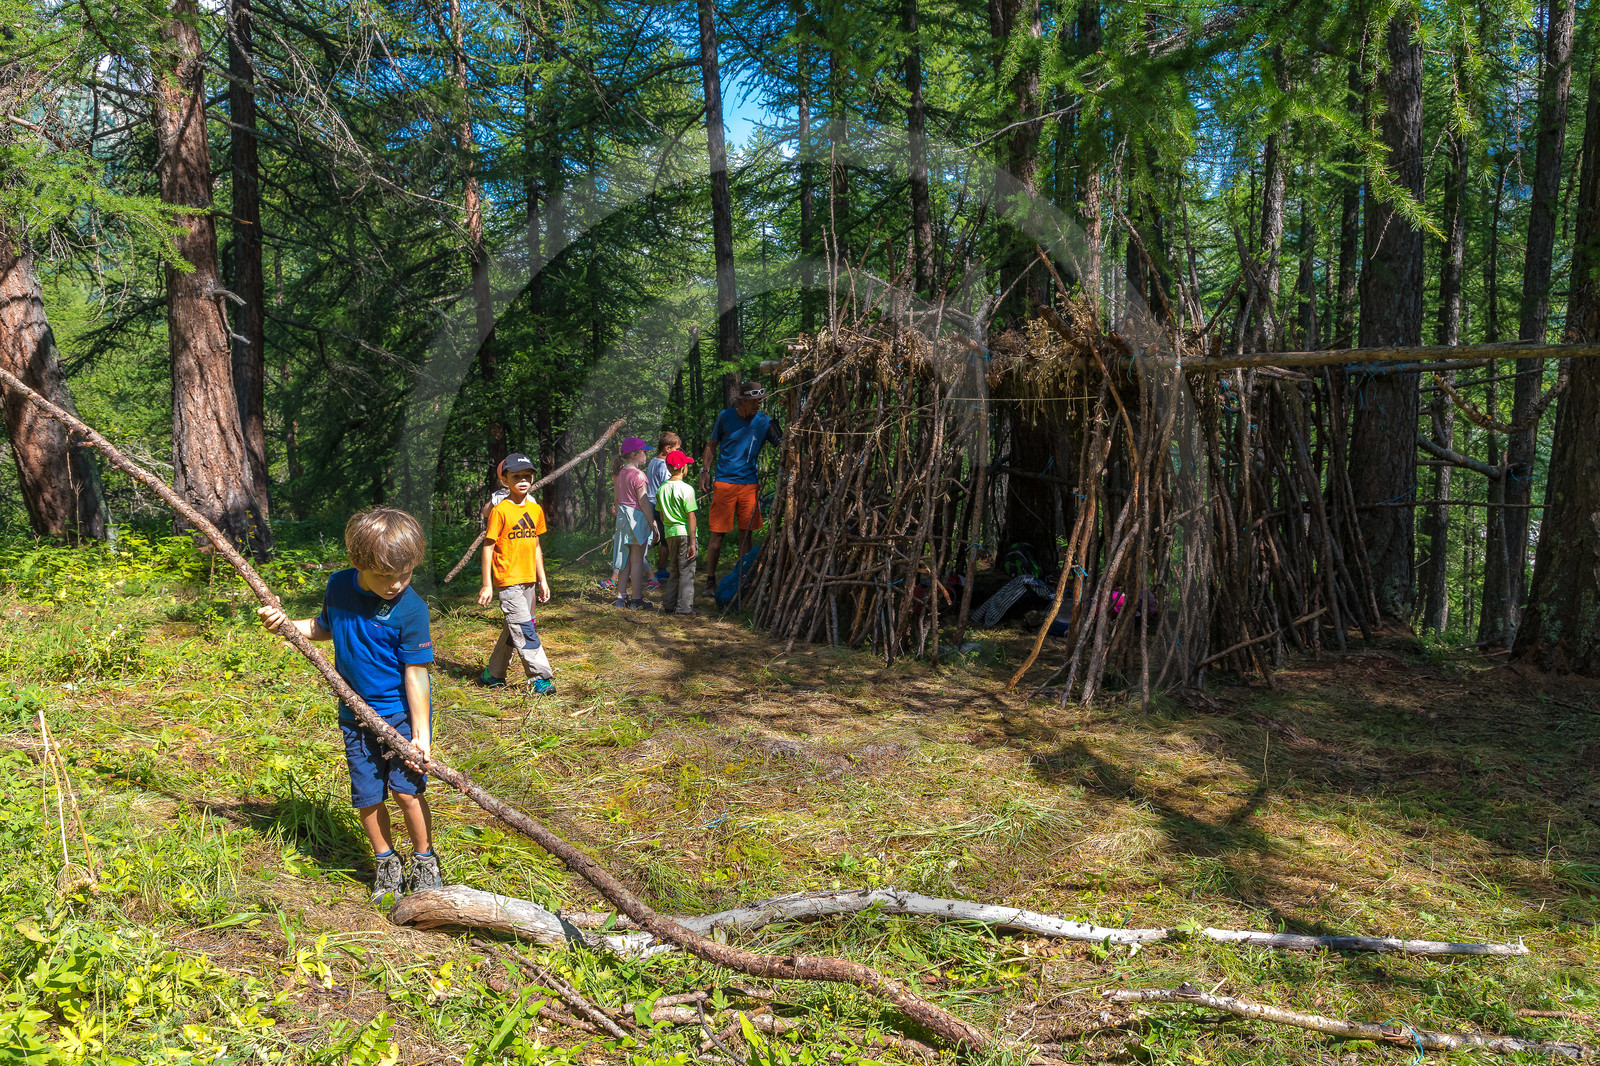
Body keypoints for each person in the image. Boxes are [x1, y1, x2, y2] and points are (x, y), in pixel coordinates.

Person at [257, 507, 442, 903]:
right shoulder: (339, 586)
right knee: (367, 794)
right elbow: (323, 628)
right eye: (385, 576)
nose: (395, 584)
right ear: (359, 563)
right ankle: (386, 862)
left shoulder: (412, 610)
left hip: (398, 718)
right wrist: (284, 623)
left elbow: (416, 674)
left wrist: (421, 737)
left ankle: (425, 860)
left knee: (407, 793)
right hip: (354, 716)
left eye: (404, 575)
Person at [478, 453, 555, 693]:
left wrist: (542, 580)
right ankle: (540, 677)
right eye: (516, 476)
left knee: (515, 628)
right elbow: (488, 546)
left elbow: (536, 547)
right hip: (508, 579)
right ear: (505, 481)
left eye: (527, 476)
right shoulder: (500, 511)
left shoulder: (535, 509)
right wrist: (487, 584)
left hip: (529, 579)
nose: (523, 480)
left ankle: (493, 673)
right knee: (525, 628)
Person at [699, 381, 780, 593]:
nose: (758, 405)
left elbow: (782, 444)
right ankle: (710, 580)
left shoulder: (764, 421)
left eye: (760, 400)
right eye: (754, 401)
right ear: (742, 400)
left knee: (746, 534)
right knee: (718, 534)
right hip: (725, 483)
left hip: (749, 485)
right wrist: (704, 471)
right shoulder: (726, 416)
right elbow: (711, 444)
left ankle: (743, 580)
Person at [654, 449, 699, 615]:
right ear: (683, 468)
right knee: (686, 570)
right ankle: (685, 609)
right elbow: (691, 517)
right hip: (685, 534)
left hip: (670, 533)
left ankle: (669, 604)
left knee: (674, 569)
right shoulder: (687, 489)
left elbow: (661, 513)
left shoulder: (661, 489)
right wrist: (692, 543)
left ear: (668, 468)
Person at [613, 437, 655, 609]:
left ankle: (620, 597)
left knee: (624, 559)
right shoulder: (638, 475)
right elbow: (644, 502)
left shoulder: (619, 473)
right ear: (634, 454)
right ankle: (636, 599)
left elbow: (616, 500)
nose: (646, 454)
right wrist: (653, 523)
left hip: (622, 519)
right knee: (637, 560)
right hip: (637, 519)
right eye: (644, 451)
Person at [646, 431, 681, 588]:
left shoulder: (653, 461)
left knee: (654, 537)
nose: (678, 453)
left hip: (650, 502)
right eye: (676, 449)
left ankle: (639, 560)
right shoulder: (664, 466)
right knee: (664, 540)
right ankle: (660, 570)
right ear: (667, 448)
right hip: (659, 504)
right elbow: (668, 485)